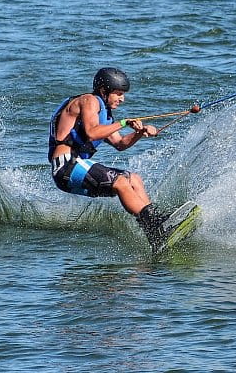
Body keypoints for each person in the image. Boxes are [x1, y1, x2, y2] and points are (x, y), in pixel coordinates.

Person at [48, 67, 166, 246]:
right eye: (118, 94)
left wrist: (139, 132)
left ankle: (157, 231)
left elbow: (120, 144)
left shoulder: (104, 116)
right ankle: (154, 226)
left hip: (78, 166)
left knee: (133, 179)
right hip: (66, 166)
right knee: (119, 181)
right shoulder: (88, 100)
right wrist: (124, 122)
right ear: (104, 91)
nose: (122, 99)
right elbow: (92, 133)